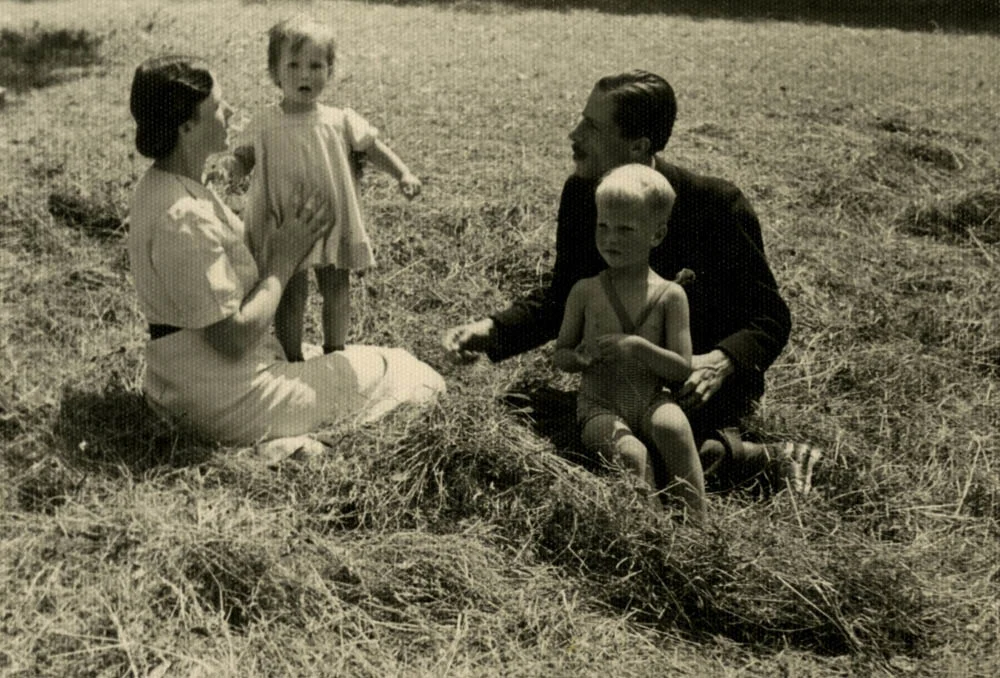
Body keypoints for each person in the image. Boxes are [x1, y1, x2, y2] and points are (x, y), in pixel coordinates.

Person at [444, 70, 819, 493]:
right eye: (581, 119)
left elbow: (770, 318)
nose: (574, 133)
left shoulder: (716, 206)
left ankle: (757, 458)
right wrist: (493, 329)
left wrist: (721, 362)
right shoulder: (584, 194)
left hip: (696, 384)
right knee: (535, 419)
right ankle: (710, 454)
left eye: (592, 126)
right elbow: (565, 294)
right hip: (621, 380)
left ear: (637, 146)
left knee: (657, 441)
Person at [127, 55, 444, 446]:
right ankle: (273, 441)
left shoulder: (163, 184)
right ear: (187, 125)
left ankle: (288, 435)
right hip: (226, 396)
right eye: (218, 105)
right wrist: (283, 259)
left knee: (367, 360)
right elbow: (232, 339)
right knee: (414, 376)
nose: (230, 111)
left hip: (184, 380)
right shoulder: (183, 216)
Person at [231, 16, 422, 362]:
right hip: (284, 223)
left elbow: (373, 146)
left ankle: (335, 349)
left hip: (331, 219)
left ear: (330, 71)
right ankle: (292, 357)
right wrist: (232, 169)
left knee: (336, 285)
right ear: (274, 72)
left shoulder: (339, 119)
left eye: (316, 65)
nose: (305, 75)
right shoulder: (264, 122)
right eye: (293, 64)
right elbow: (244, 155)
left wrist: (403, 173)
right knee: (290, 291)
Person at [554, 164, 704, 522]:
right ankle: (652, 530)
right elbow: (560, 355)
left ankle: (700, 527)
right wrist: (579, 356)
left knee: (674, 428)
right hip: (599, 404)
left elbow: (682, 367)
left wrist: (637, 346)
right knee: (630, 454)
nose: (610, 239)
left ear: (657, 234)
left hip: (651, 397)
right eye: (603, 227)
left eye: (625, 229)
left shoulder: (671, 296)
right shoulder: (586, 291)